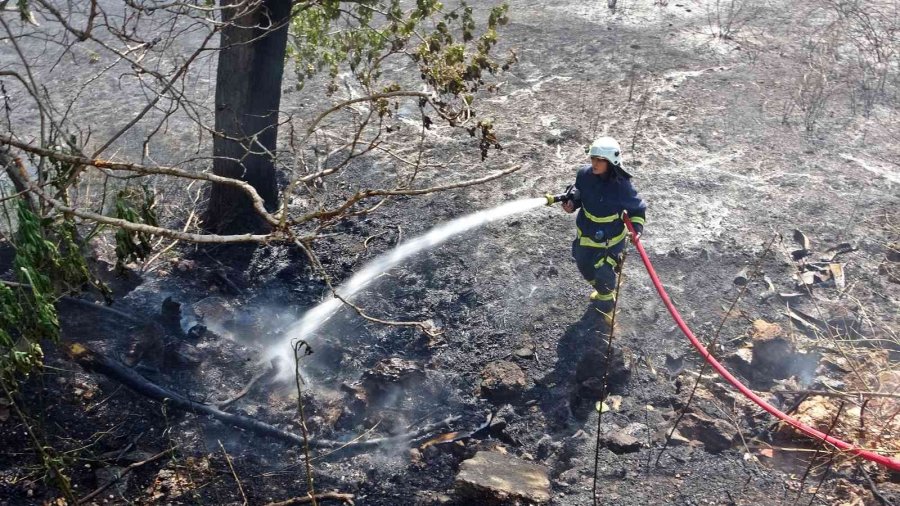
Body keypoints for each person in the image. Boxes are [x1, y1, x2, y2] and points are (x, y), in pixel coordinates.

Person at [561, 136, 647, 323]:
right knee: (583, 263)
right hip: (586, 233)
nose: (594, 163)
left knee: (604, 270)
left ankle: (607, 304)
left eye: (599, 160)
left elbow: (637, 209)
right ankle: (602, 289)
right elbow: (579, 194)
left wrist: (637, 228)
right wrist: (572, 203)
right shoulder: (584, 175)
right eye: (593, 158)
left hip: (611, 240)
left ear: (611, 161)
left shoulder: (622, 186)